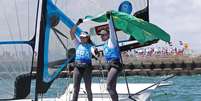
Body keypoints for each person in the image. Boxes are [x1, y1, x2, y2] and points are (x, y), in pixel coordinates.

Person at [70, 18, 98, 101]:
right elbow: (72, 32)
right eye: (81, 37)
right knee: (76, 89)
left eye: (84, 37)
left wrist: (95, 51)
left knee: (88, 88)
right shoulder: (77, 44)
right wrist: (77, 23)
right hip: (77, 67)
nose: (82, 38)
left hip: (87, 68)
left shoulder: (90, 46)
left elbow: (93, 50)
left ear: (87, 38)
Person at [98, 13, 123, 101]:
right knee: (112, 87)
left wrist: (109, 19)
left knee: (108, 87)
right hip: (110, 66)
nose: (101, 36)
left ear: (108, 35)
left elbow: (112, 30)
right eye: (101, 35)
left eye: (103, 35)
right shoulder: (104, 45)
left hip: (115, 65)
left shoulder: (112, 41)